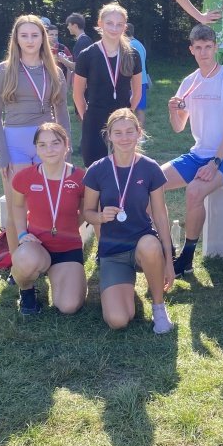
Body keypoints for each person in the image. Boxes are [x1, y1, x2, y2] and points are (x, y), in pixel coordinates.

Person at [162, 24, 223, 277]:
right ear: (191, 50)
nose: (204, 52)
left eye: (208, 47)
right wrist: (173, 111)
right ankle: (165, 246)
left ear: (216, 48)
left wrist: (215, 163)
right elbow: (178, 127)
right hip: (197, 153)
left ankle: (187, 258)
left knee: (194, 191)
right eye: (198, 48)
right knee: (149, 182)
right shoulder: (190, 81)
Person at [83, 109, 175, 332]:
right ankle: (124, 288)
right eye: (118, 133)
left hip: (142, 244)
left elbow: (160, 215)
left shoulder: (150, 168)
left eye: (129, 132)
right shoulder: (97, 170)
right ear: (109, 136)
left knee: (150, 245)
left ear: (138, 133)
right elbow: (87, 213)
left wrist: (169, 260)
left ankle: (159, 307)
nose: (124, 138)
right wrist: (100, 217)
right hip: (113, 252)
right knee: (118, 320)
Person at [0, 15, 71, 252]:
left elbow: (62, 111)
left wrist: (66, 146)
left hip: (48, 142)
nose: (30, 40)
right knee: (17, 207)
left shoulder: (54, 70)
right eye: (24, 35)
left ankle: (47, 256)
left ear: (43, 38)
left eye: (35, 35)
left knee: (46, 205)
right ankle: (18, 261)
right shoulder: (3, 70)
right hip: (15, 143)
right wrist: (2, 155)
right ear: (16, 39)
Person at [10, 123, 87, 316]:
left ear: (66, 145)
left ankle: (59, 276)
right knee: (25, 260)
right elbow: (17, 206)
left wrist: (68, 228)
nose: (49, 149)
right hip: (36, 245)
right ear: (36, 148)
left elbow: (86, 211)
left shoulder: (81, 178)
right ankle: (27, 291)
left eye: (55, 143)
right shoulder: (24, 177)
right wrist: (22, 234)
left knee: (69, 306)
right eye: (42, 145)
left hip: (68, 248)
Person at [73, 3, 142, 167]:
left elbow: (138, 92)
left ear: (124, 27)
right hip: (94, 121)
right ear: (100, 23)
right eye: (109, 23)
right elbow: (77, 94)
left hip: (122, 121)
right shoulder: (87, 55)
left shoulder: (132, 54)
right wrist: (87, 118)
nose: (114, 28)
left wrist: (128, 114)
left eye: (119, 24)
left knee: (124, 168)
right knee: (95, 169)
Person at [126, 22, 148, 126]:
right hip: (142, 80)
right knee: (139, 108)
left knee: (135, 109)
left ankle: (139, 132)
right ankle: (139, 132)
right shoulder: (139, 44)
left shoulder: (129, 45)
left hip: (134, 82)